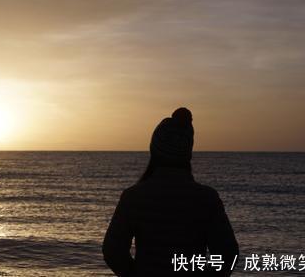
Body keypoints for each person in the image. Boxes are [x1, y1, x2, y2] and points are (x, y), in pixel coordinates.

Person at [102, 108, 239, 276]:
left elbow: (112, 251)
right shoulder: (207, 198)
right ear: (187, 155)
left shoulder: (134, 197)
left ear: (154, 152)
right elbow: (228, 254)